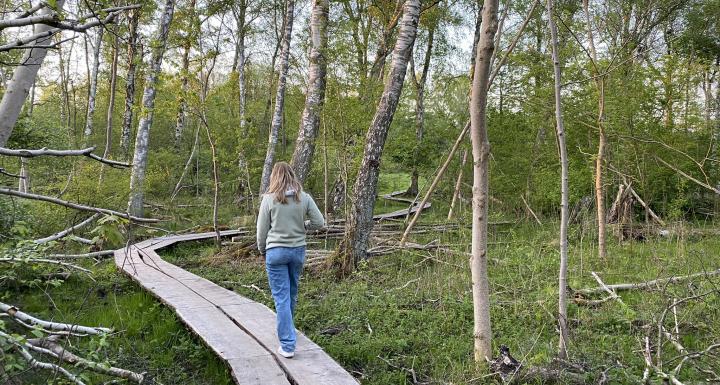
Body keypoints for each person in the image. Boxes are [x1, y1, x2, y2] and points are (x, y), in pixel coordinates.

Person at [256, 162, 325, 358]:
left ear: (274, 177)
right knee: (291, 294)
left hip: (276, 252)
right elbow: (320, 223)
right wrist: (303, 225)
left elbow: (261, 231)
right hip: (297, 251)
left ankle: (287, 344)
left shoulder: (269, 200)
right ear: (293, 175)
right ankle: (289, 331)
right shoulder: (304, 198)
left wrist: (262, 250)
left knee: (281, 297)